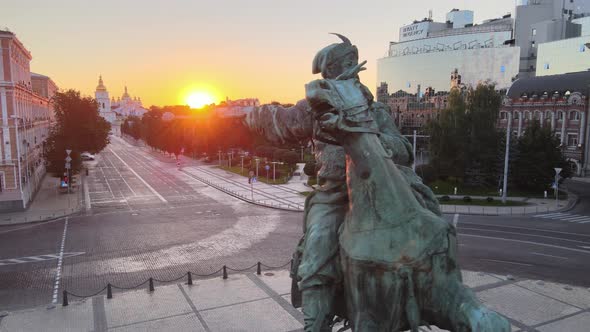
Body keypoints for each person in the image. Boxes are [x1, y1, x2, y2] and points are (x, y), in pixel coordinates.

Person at [244, 34, 440, 331]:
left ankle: (438, 289)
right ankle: (317, 322)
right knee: (319, 244)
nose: (346, 76)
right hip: (336, 194)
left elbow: (404, 150)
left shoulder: (376, 111)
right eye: (339, 70)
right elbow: (282, 123)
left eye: (350, 68)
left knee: (429, 216)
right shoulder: (313, 108)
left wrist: (370, 140)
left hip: (382, 187)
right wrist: (258, 114)